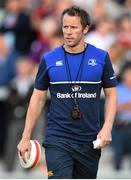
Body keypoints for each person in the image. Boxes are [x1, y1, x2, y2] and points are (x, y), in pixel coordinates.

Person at [17, 6, 117, 179]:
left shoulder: (101, 57)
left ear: (85, 29)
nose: (68, 32)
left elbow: (112, 94)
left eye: (74, 27)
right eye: (65, 27)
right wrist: (25, 137)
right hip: (57, 138)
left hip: (89, 141)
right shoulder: (49, 59)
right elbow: (38, 98)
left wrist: (107, 127)